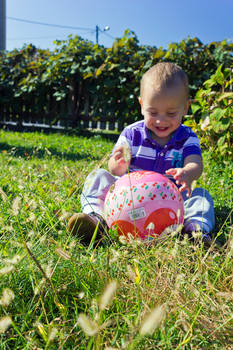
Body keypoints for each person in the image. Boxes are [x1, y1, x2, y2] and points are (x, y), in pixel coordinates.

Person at [68, 62, 215, 246]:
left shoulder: (187, 137)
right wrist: (118, 164)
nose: (161, 120)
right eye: (153, 112)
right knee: (98, 177)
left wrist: (187, 172)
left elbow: (196, 163)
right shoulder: (131, 133)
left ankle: (195, 231)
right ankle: (96, 220)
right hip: (126, 199)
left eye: (171, 113)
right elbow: (113, 166)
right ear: (141, 105)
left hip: (172, 202)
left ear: (185, 108)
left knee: (201, 196)